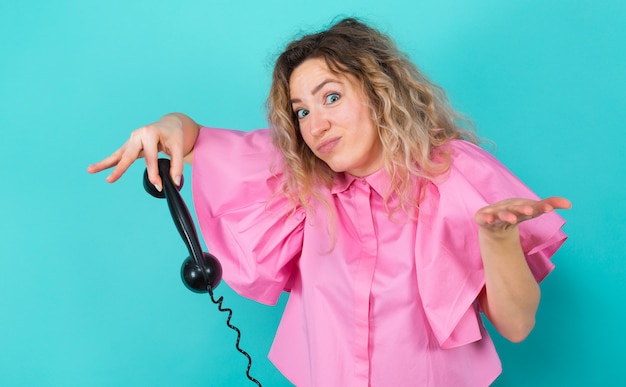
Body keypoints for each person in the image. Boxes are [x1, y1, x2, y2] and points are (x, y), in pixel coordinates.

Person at [88, 17, 570, 387]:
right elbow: (194, 138)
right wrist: (168, 125)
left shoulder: (454, 173)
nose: (315, 124)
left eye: (331, 97)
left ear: (380, 93)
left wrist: (498, 238)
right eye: (301, 111)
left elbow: (518, 324)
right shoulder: (300, 177)